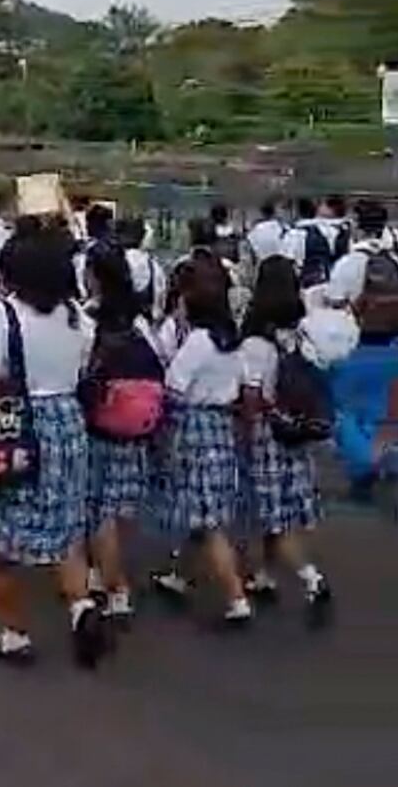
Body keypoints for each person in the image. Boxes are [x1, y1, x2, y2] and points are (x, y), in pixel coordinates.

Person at [0, 228, 104, 666]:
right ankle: (81, 606)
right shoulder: (76, 316)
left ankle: (14, 632)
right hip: (67, 426)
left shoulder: (4, 316)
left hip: (14, 428)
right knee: (66, 530)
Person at [151, 250, 251, 625]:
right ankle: (180, 576)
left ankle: (236, 596)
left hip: (193, 428)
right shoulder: (232, 341)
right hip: (222, 426)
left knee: (208, 522)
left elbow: (173, 387)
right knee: (203, 510)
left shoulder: (197, 342)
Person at [239, 256, 333, 619]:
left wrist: (243, 429)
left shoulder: (256, 342)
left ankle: (311, 577)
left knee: (274, 516)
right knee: (278, 511)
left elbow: (252, 395)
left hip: (267, 433)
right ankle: (264, 574)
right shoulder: (298, 332)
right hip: (295, 429)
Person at [80, 242, 165, 620]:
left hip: (98, 421)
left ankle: (117, 589)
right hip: (138, 425)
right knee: (120, 507)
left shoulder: (87, 318)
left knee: (99, 509)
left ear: (93, 276)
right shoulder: (140, 319)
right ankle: (105, 573)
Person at [326, 201, 398, 500]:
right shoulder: (397, 263)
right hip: (393, 349)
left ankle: (363, 470)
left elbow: (333, 301)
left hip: (357, 346)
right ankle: (388, 463)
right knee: (384, 411)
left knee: (349, 413)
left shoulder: (348, 263)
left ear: (355, 225)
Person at [115, 217, 166, 323]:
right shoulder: (154, 266)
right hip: (145, 327)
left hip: (117, 326)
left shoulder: (115, 261)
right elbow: (159, 304)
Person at [245, 200, 288, 265]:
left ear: (262, 213)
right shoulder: (282, 226)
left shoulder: (255, 229)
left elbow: (251, 252)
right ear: (274, 212)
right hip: (282, 264)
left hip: (263, 265)